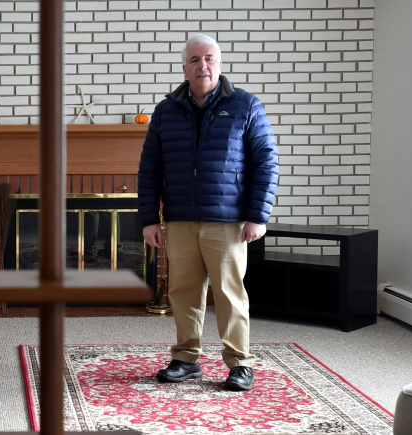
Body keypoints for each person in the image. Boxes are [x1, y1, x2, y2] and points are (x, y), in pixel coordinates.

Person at [137, 34, 279, 391]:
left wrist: (258, 215)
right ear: (184, 67)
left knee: (230, 294)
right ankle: (186, 358)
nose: (203, 65)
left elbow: (266, 163)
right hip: (181, 217)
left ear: (220, 63)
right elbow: (150, 166)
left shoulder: (247, 106)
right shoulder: (166, 110)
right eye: (195, 59)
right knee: (183, 292)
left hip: (229, 220)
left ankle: (239, 363)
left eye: (210, 58)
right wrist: (149, 218)